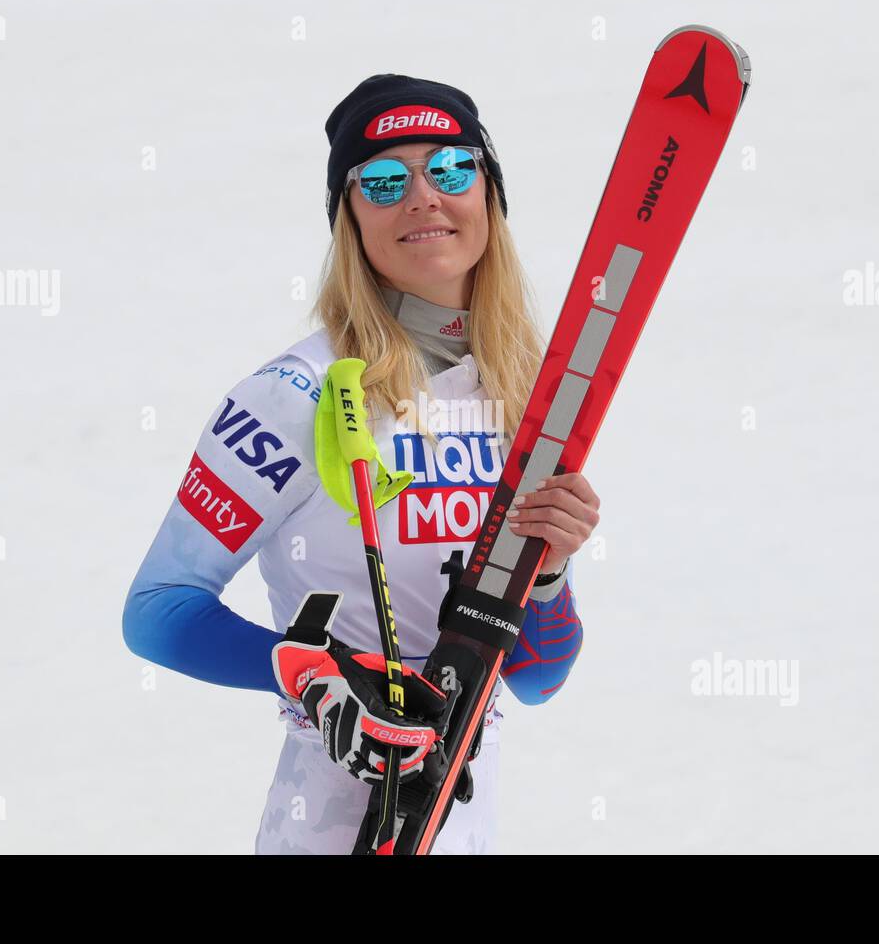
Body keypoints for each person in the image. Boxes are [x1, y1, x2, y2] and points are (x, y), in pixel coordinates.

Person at [123, 74, 601, 854]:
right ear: (349, 221)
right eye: (383, 181)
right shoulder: (294, 393)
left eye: (450, 168)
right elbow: (156, 610)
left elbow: (539, 680)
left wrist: (545, 574)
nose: (422, 197)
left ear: (488, 196)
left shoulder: (522, 399)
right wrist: (309, 674)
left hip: (465, 829)